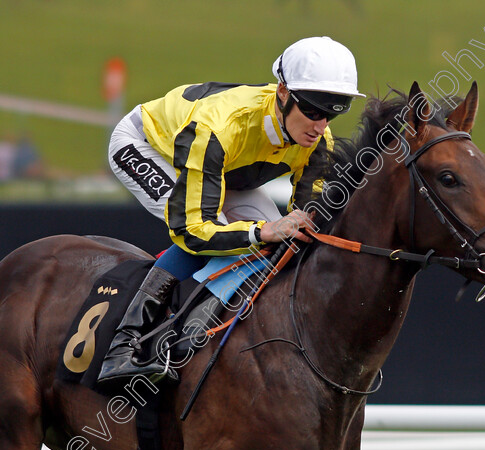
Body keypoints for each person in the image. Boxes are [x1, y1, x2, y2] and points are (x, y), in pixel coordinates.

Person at [97, 36, 365, 383]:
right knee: (222, 236)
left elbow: (304, 223)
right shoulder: (219, 127)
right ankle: (123, 346)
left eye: (333, 112)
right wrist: (261, 231)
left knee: (277, 248)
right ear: (283, 92)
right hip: (148, 147)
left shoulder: (318, 143)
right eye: (313, 111)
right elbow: (194, 232)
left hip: (222, 171)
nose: (320, 126)